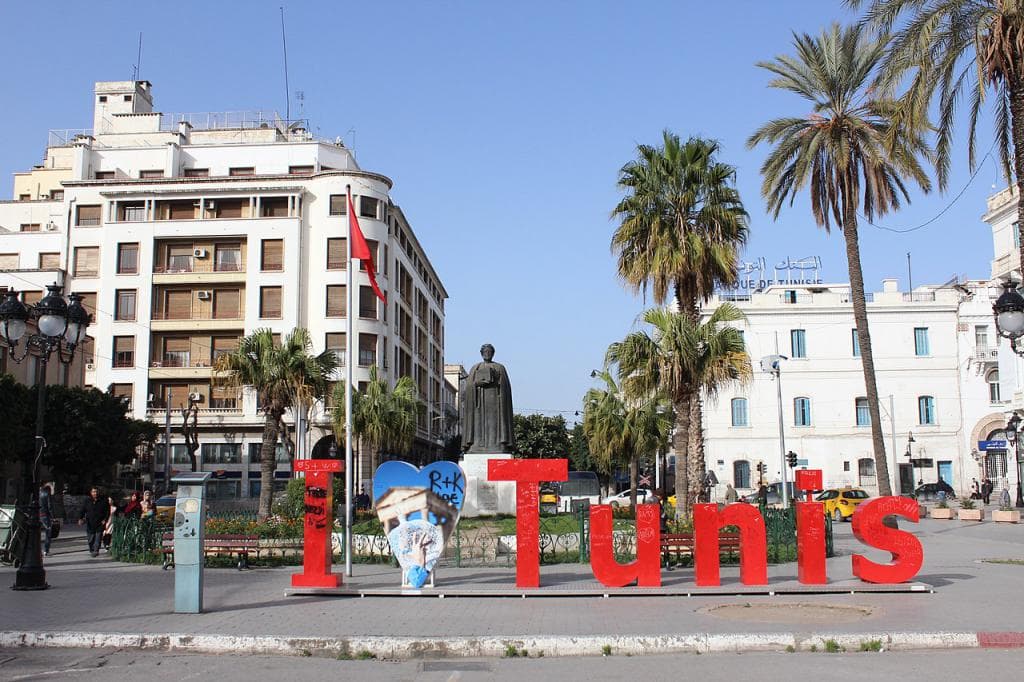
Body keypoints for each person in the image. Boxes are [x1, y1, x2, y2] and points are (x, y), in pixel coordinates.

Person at [78, 487, 109, 557]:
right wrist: (80, 518)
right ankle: (92, 549)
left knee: (98, 538)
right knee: (90, 539)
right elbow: (82, 510)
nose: (95, 493)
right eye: (94, 492)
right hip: (90, 522)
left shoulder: (103, 501)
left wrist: (105, 520)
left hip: (100, 523)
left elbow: (107, 511)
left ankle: (96, 550)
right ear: (91, 493)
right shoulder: (87, 501)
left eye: (96, 492)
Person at [39, 484, 54, 557]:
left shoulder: (38, 493)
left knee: (37, 534)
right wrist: (52, 516)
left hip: (38, 515)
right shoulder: (47, 494)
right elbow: (49, 506)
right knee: (48, 533)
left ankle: (38, 551)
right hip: (45, 515)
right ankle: (46, 551)